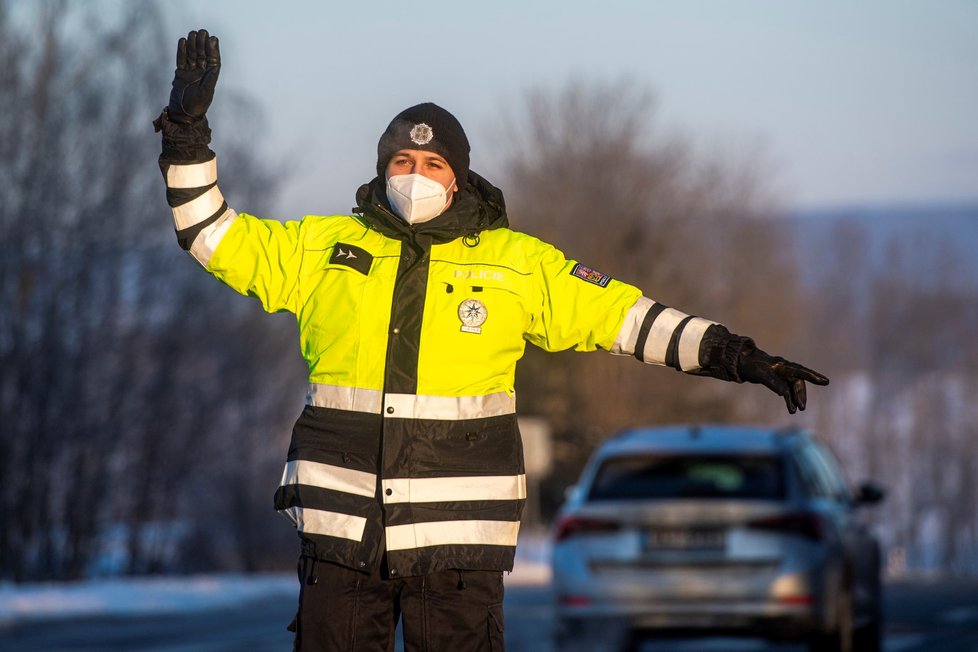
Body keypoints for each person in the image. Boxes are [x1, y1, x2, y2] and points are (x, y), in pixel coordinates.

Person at [154, 29, 829, 652]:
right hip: (340, 540)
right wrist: (186, 137)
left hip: (459, 552)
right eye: (402, 160)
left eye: (432, 163)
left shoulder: (514, 263)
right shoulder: (325, 248)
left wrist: (734, 355)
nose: (414, 175)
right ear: (383, 168)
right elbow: (212, 236)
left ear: (459, 176)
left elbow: (624, 318)